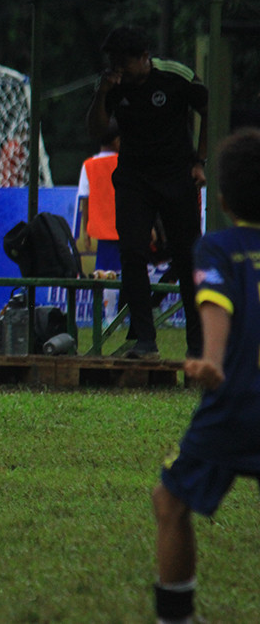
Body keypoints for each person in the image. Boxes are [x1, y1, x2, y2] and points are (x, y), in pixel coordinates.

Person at [150, 128, 260, 624]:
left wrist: (211, 359)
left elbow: (216, 301)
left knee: (170, 499)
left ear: (221, 197)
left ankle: (176, 616)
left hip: (236, 402)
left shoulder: (219, 248)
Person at [87, 25, 207, 359]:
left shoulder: (176, 77)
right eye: (114, 62)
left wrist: (200, 160)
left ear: (144, 58)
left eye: (124, 62)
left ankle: (197, 346)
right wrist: (101, 93)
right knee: (133, 254)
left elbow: (209, 108)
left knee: (186, 258)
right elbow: (96, 129)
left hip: (176, 176)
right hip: (133, 179)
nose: (118, 69)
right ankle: (144, 339)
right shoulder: (112, 85)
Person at [76, 120, 121, 273]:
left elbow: (84, 200)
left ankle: (106, 297)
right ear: (117, 140)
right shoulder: (125, 162)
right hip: (127, 228)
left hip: (101, 231)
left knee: (103, 273)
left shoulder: (89, 165)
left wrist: (85, 232)